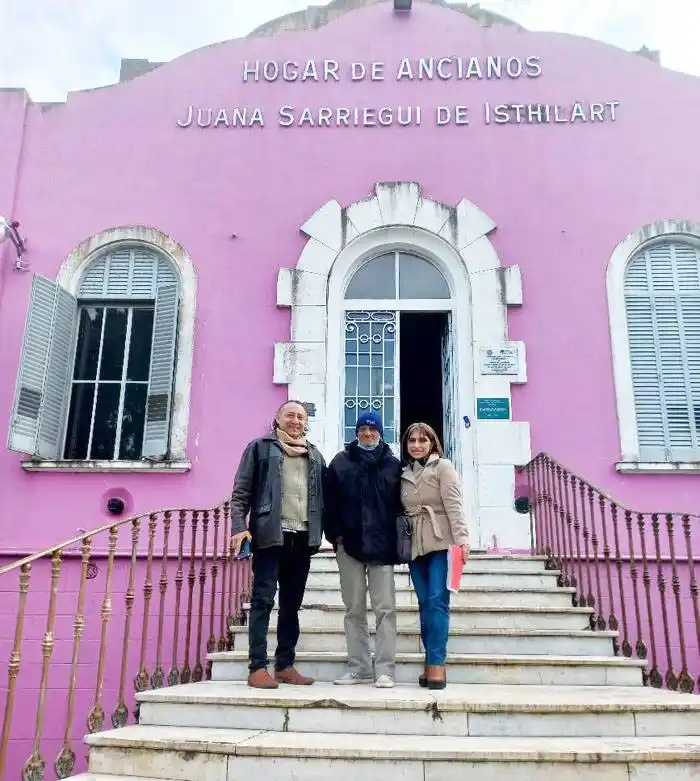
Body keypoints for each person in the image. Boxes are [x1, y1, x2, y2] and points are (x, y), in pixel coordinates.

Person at [230, 400, 325, 689]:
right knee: (263, 601)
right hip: (270, 536)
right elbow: (241, 493)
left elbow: (325, 497)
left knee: (291, 605)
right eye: (290, 415)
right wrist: (239, 527)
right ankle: (257, 667)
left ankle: (285, 665)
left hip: (303, 538)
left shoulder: (315, 454)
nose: (296, 421)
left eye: (300, 417)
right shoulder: (260, 448)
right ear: (278, 419)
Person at [324, 411, 402, 688]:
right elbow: (329, 502)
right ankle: (358, 667)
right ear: (356, 432)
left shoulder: (393, 465)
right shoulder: (340, 463)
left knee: (385, 609)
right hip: (350, 546)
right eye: (363, 429)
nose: (368, 434)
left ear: (380, 432)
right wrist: (336, 536)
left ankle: (385, 670)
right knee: (354, 610)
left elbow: (401, 505)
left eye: (373, 429)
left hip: (382, 548)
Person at [400, 422, 470, 690]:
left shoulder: (443, 467)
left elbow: (454, 505)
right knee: (424, 604)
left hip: (442, 543)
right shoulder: (404, 472)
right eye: (412, 441)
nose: (417, 445)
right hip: (415, 546)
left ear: (432, 443)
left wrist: (462, 540)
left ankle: (437, 665)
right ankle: (429, 663)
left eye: (423, 440)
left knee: (437, 602)